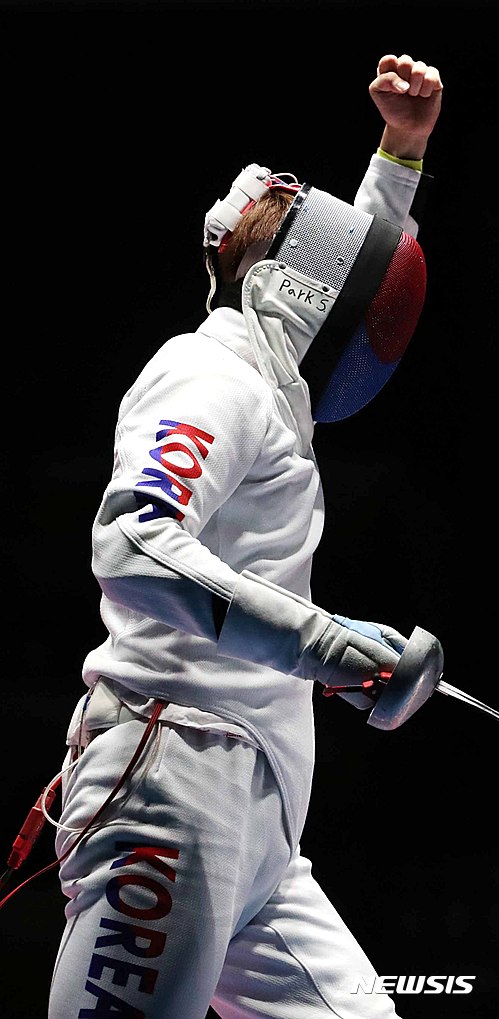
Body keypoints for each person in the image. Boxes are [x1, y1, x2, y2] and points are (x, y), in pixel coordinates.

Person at [48, 53, 443, 1019]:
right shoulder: (209, 374)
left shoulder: (267, 383)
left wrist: (399, 154)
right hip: (173, 787)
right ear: (280, 281)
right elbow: (134, 541)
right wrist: (324, 644)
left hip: (255, 817)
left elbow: (354, 279)